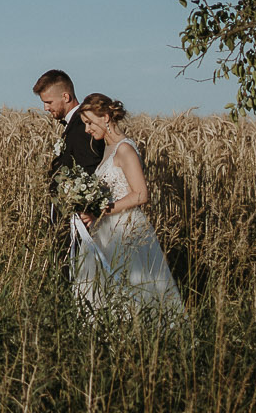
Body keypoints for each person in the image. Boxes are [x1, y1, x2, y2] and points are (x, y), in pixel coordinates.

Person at [69, 93, 183, 319]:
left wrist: (105, 209)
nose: (87, 130)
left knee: (131, 288)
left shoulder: (124, 149)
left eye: (89, 122)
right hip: (106, 229)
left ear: (106, 116)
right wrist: (95, 215)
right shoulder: (108, 151)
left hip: (125, 230)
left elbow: (140, 194)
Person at [36, 69, 104, 226]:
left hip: (77, 221)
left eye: (49, 102)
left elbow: (88, 170)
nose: (46, 108)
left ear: (65, 97)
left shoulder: (82, 126)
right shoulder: (75, 124)